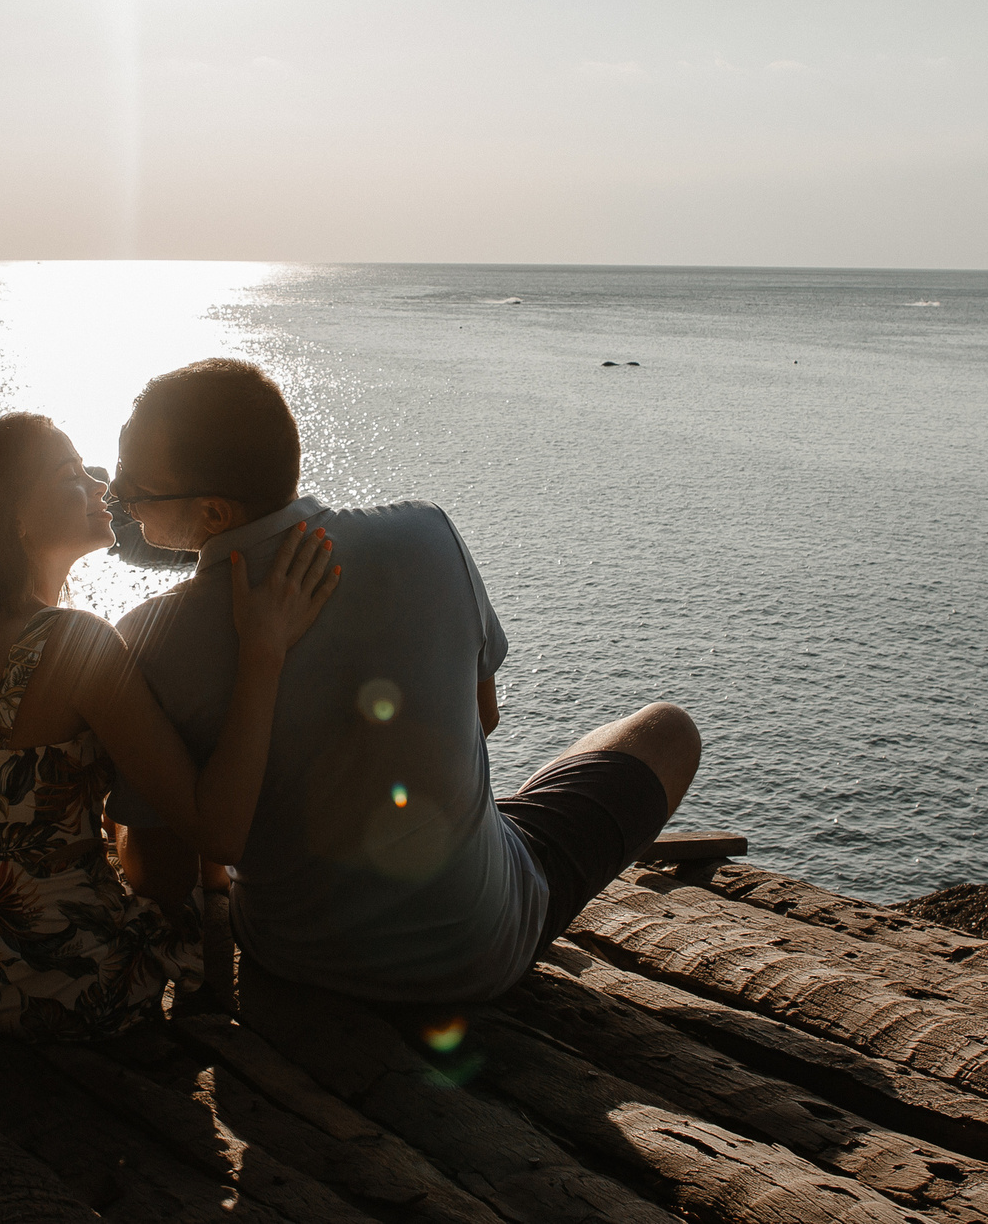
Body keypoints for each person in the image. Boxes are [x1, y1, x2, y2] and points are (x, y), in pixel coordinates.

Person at [105, 359, 701, 1004]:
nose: (121, 500)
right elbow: (483, 716)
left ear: (215, 511)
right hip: (480, 950)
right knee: (668, 729)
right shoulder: (426, 534)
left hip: (292, 953)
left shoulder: (148, 637)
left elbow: (158, 875)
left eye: (134, 489)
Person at [0, 411, 338, 1040]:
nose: (100, 485)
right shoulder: (71, 643)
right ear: (14, 518)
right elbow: (220, 832)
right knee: (194, 862)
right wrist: (264, 650)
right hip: (76, 984)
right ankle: (220, 1007)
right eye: (70, 474)